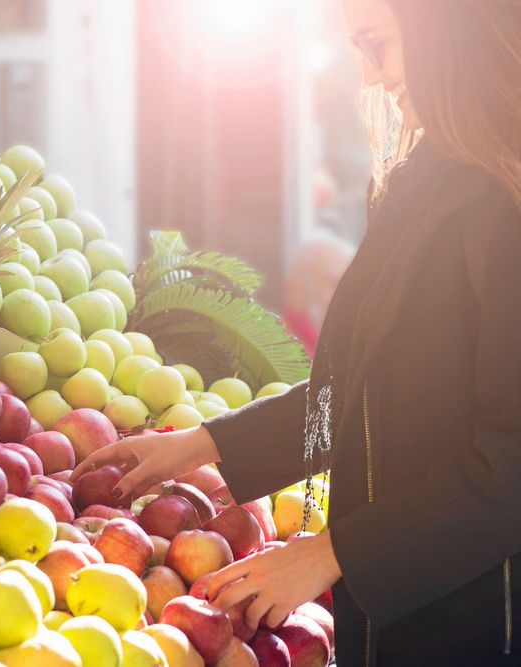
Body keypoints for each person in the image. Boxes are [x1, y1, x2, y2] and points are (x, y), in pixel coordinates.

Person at [72, 1, 521, 664]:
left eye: (378, 46)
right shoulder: (422, 179)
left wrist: (331, 552)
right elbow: (361, 393)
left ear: (443, 31)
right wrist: (204, 443)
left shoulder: (503, 200)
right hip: (389, 625)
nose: (370, 79)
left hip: (477, 626)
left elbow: (510, 462)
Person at [281, 232, 356, 358]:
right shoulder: (276, 359)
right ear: (294, 291)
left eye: (352, 288)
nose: (350, 299)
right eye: (336, 284)